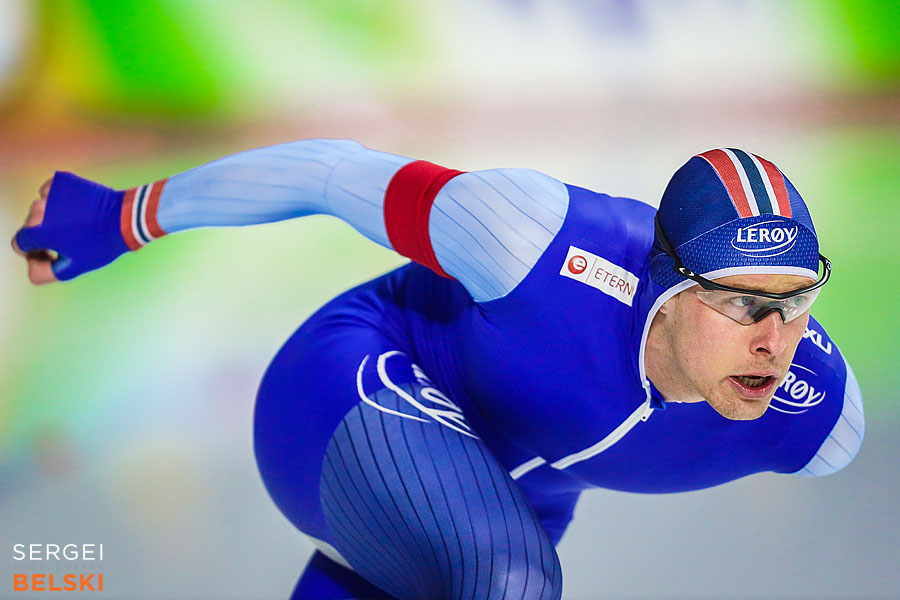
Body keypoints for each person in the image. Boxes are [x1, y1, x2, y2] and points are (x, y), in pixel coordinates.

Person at [11, 140, 864, 599]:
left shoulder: (818, 418)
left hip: (495, 501)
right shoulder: (531, 238)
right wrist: (122, 216)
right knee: (512, 579)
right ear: (667, 286)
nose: (776, 337)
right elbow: (331, 174)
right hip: (348, 388)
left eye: (798, 302)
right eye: (746, 305)